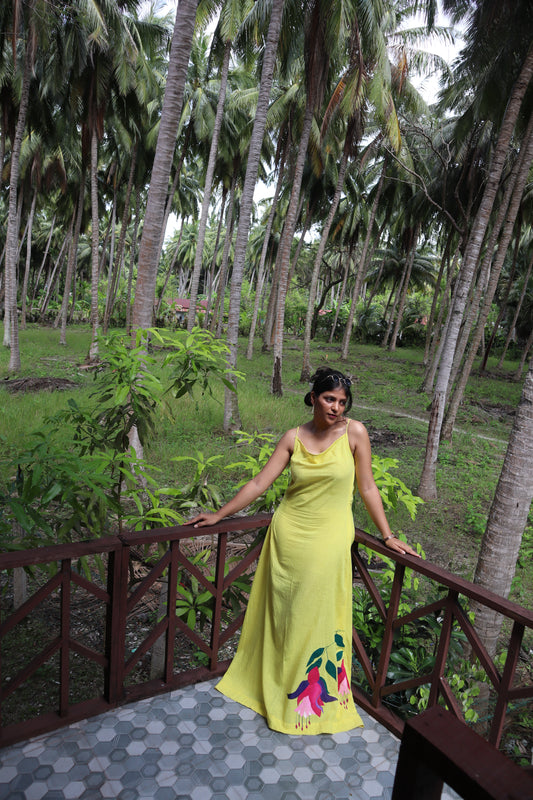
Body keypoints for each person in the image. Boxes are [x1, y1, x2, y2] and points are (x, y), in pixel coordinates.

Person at [187, 366, 420, 735]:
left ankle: (310, 698)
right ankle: (276, 686)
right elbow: (260, 481)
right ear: (313, 397)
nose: (336, 408)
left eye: (342, 402)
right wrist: (219, 514)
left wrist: (387, 535)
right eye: (329, 399)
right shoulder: (293, 438)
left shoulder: (355, 433)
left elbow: (368, 488)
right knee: (285, 611)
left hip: (329, 538)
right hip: (288, 534)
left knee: (315, 614)